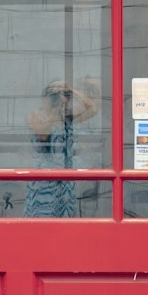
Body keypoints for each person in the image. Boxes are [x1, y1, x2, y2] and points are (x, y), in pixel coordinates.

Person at [23, 79, 99, 217]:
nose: (58, 99)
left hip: (65, 177)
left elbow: (93, 108)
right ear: (44, 99)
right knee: (41, 216)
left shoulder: (67, 118)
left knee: (65, 220)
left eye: (59, 96)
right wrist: (55, 110)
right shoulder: (35, 116)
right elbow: (43, 134)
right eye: (53, 96)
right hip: (43, 178)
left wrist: (72, 90)